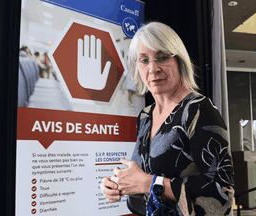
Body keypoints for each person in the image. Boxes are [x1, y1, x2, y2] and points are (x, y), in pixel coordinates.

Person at [100, 22, 234, 216]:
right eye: (144, 60)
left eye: (161, 58)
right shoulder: (145, 116)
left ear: (179, 61)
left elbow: (223, 192)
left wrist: (149, 183)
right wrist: (118, 185)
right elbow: (144, 179)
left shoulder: (198, 109)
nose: (153, 69)